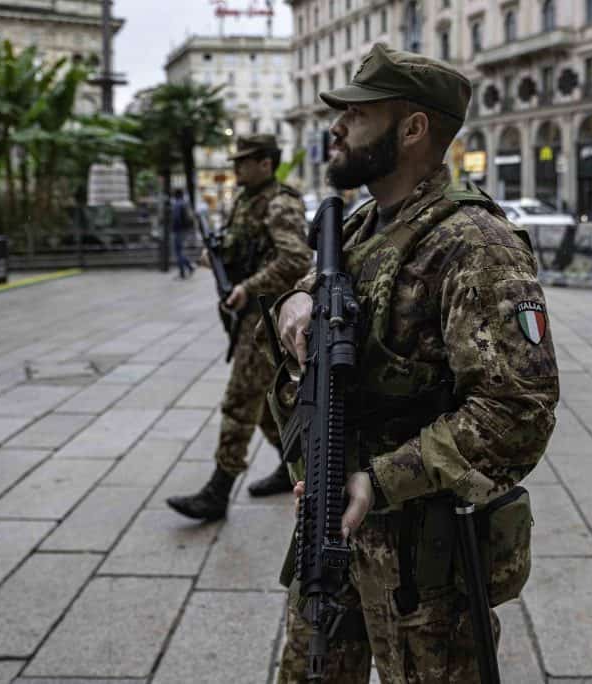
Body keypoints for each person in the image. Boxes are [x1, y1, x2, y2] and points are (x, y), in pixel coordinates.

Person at [271, 44, 560, 681]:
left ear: (412, 127)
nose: (335, 127)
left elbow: (517, 413)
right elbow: (315, 288)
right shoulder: (360, 226)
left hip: (426, 575)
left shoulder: (475, 244)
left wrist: (378, 481)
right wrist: (294, 301)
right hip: (334, 538)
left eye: (356, 114)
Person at [166, 135, 312, 520]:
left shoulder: (281, 202)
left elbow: (296, 259)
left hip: (264, 319)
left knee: (239, 401)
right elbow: (245, 249)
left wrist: (249, 287)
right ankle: (292, 468)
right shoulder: (248, 200)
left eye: (245, 161)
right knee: (266, 408)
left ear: (266, 163)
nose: (237, 168)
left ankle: (218, 489)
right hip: (248, 319)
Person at [170, 188, 195, 280]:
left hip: (178, 230)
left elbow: (176, 218)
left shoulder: (177, 204)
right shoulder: (184, 203)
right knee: (179, 251)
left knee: (178, 252)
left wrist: (175, 228)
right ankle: (189, 267)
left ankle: (182, 273)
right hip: (184, 230)